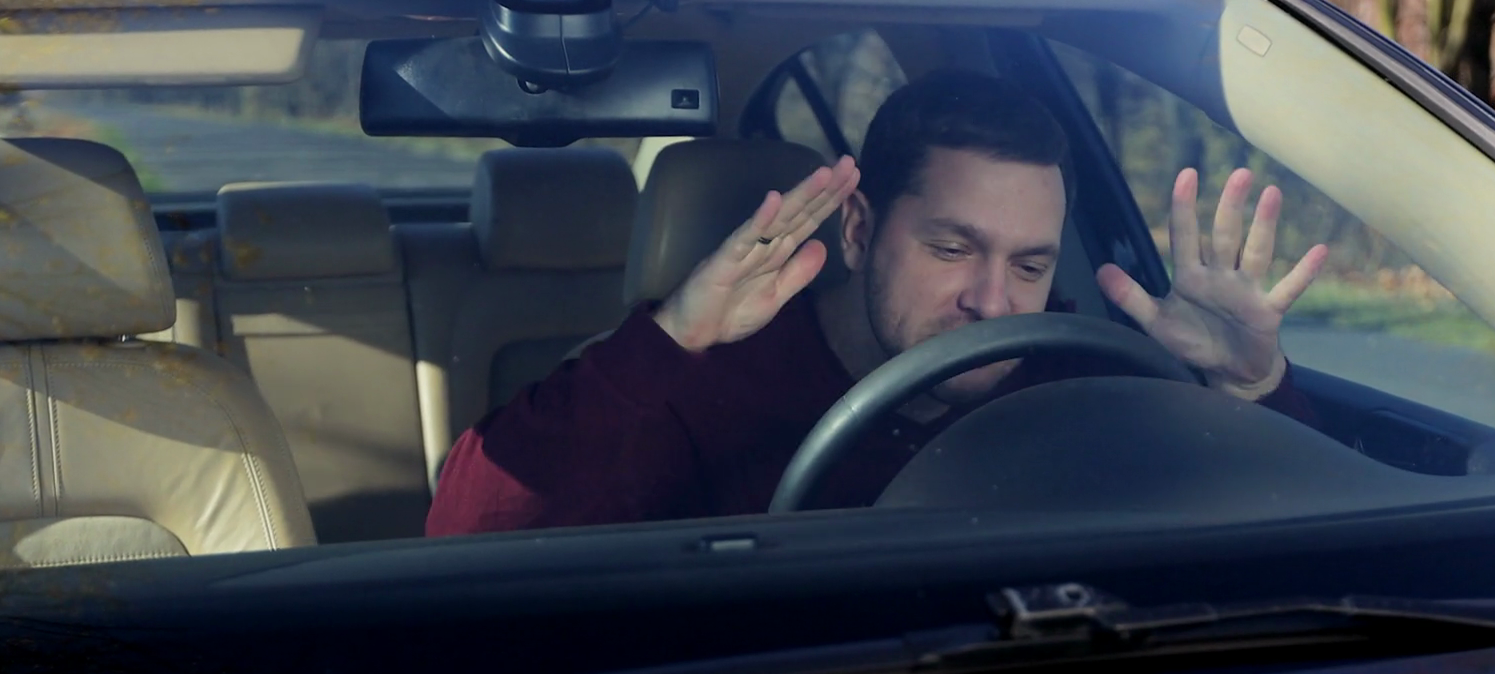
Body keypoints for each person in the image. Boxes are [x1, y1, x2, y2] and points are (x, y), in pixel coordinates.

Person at [426, 70, 1328, 535]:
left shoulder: (1078, 376)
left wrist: (1252, 390)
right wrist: (672, 339)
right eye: (951, 248)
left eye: (1029, 264)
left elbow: (1282, 547)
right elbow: (467, 534)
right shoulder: (697, 379)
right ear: (858, 230)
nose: (993, 301)